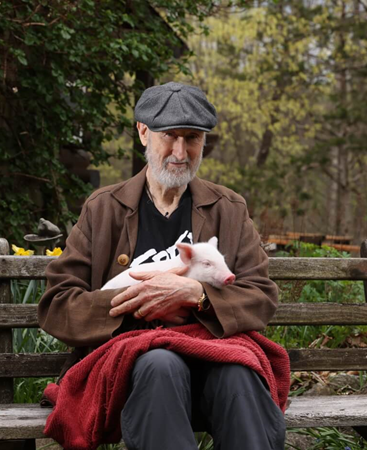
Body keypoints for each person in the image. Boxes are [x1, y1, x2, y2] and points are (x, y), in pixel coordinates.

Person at [38, 81, 285, 449]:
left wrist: (197, 295)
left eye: (192, 138)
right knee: (160, 365)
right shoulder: (103, 208)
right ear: (143, 132)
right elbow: (58, 304)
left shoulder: (228, 208)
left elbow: (261, 295)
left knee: (238, 373)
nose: (181, 152)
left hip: (211, 365)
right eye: (170, 136)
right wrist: (137, 300)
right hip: (133, 374)